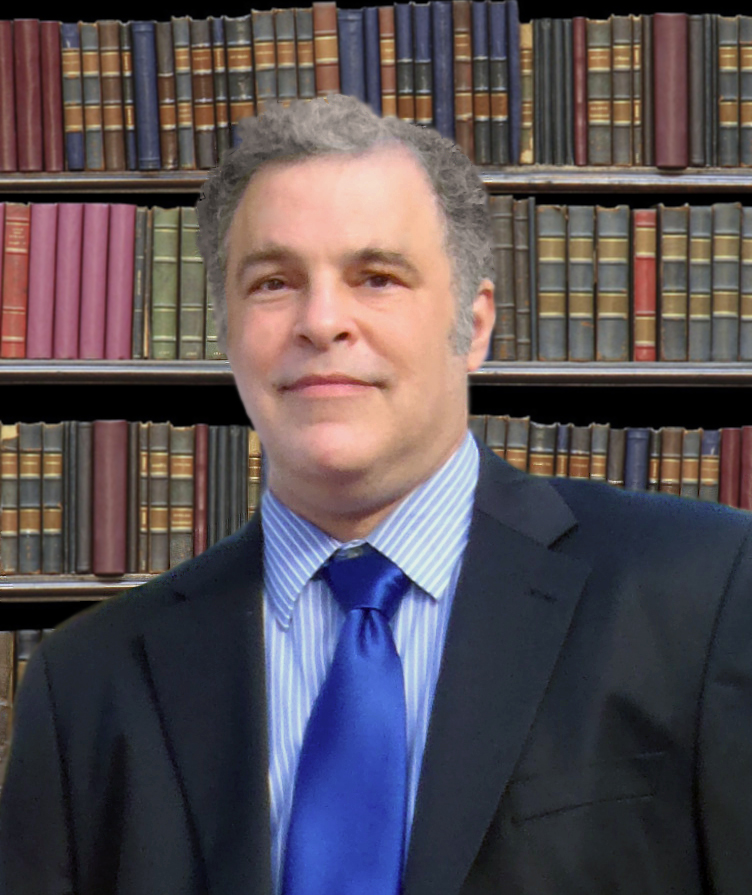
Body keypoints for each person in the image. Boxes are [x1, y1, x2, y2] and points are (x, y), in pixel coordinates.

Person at [1, 93, 751, 895]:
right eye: (274, 282)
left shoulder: (703, 594)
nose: (322, 321)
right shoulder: (86, 682)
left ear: (475, 323)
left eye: (377, 277)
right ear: (226, 330)